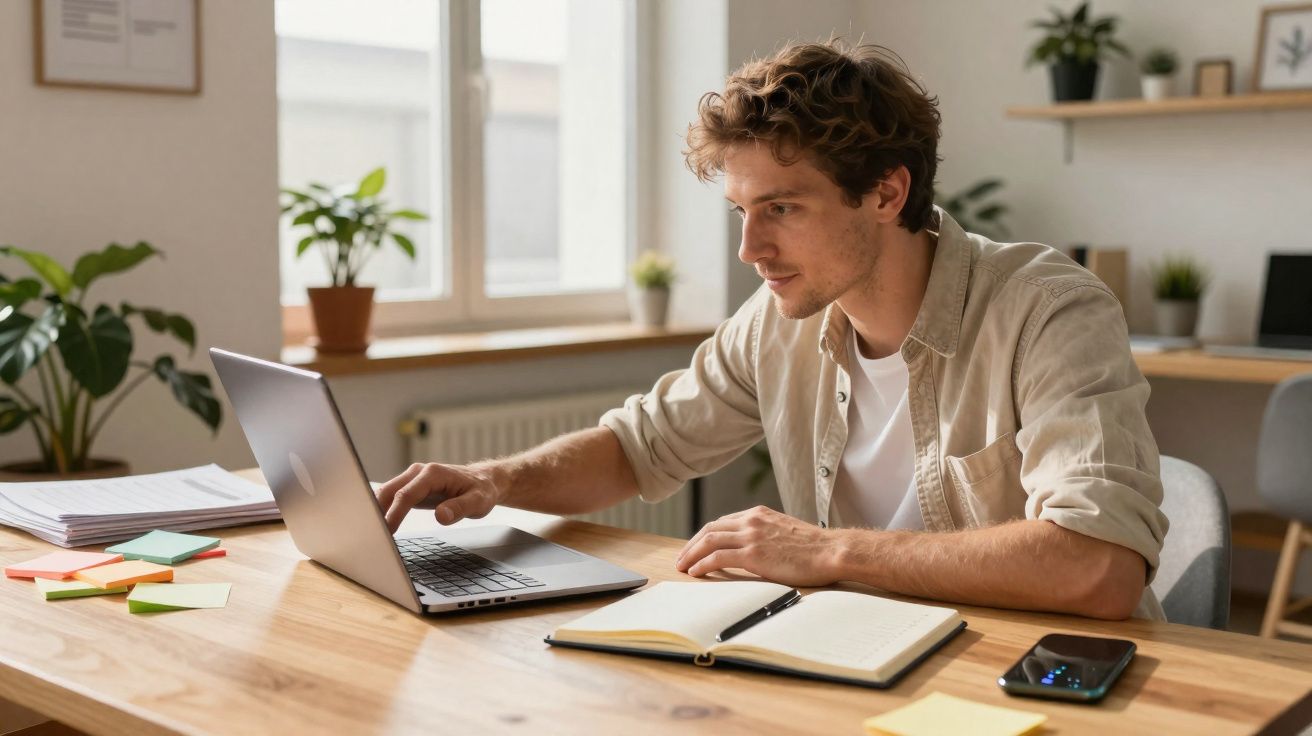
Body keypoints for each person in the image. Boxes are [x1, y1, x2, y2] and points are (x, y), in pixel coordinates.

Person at [376, 40, 1168, 620]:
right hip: (868, 658)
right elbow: (638, 447)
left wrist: (826, 551)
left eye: (781, 208)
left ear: (887, 194)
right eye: (741, 212)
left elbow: (1098, 565)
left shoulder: (1048, 310)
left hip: (1039, 682)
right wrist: (497, 479)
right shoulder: (779, 321)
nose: (750, 250)